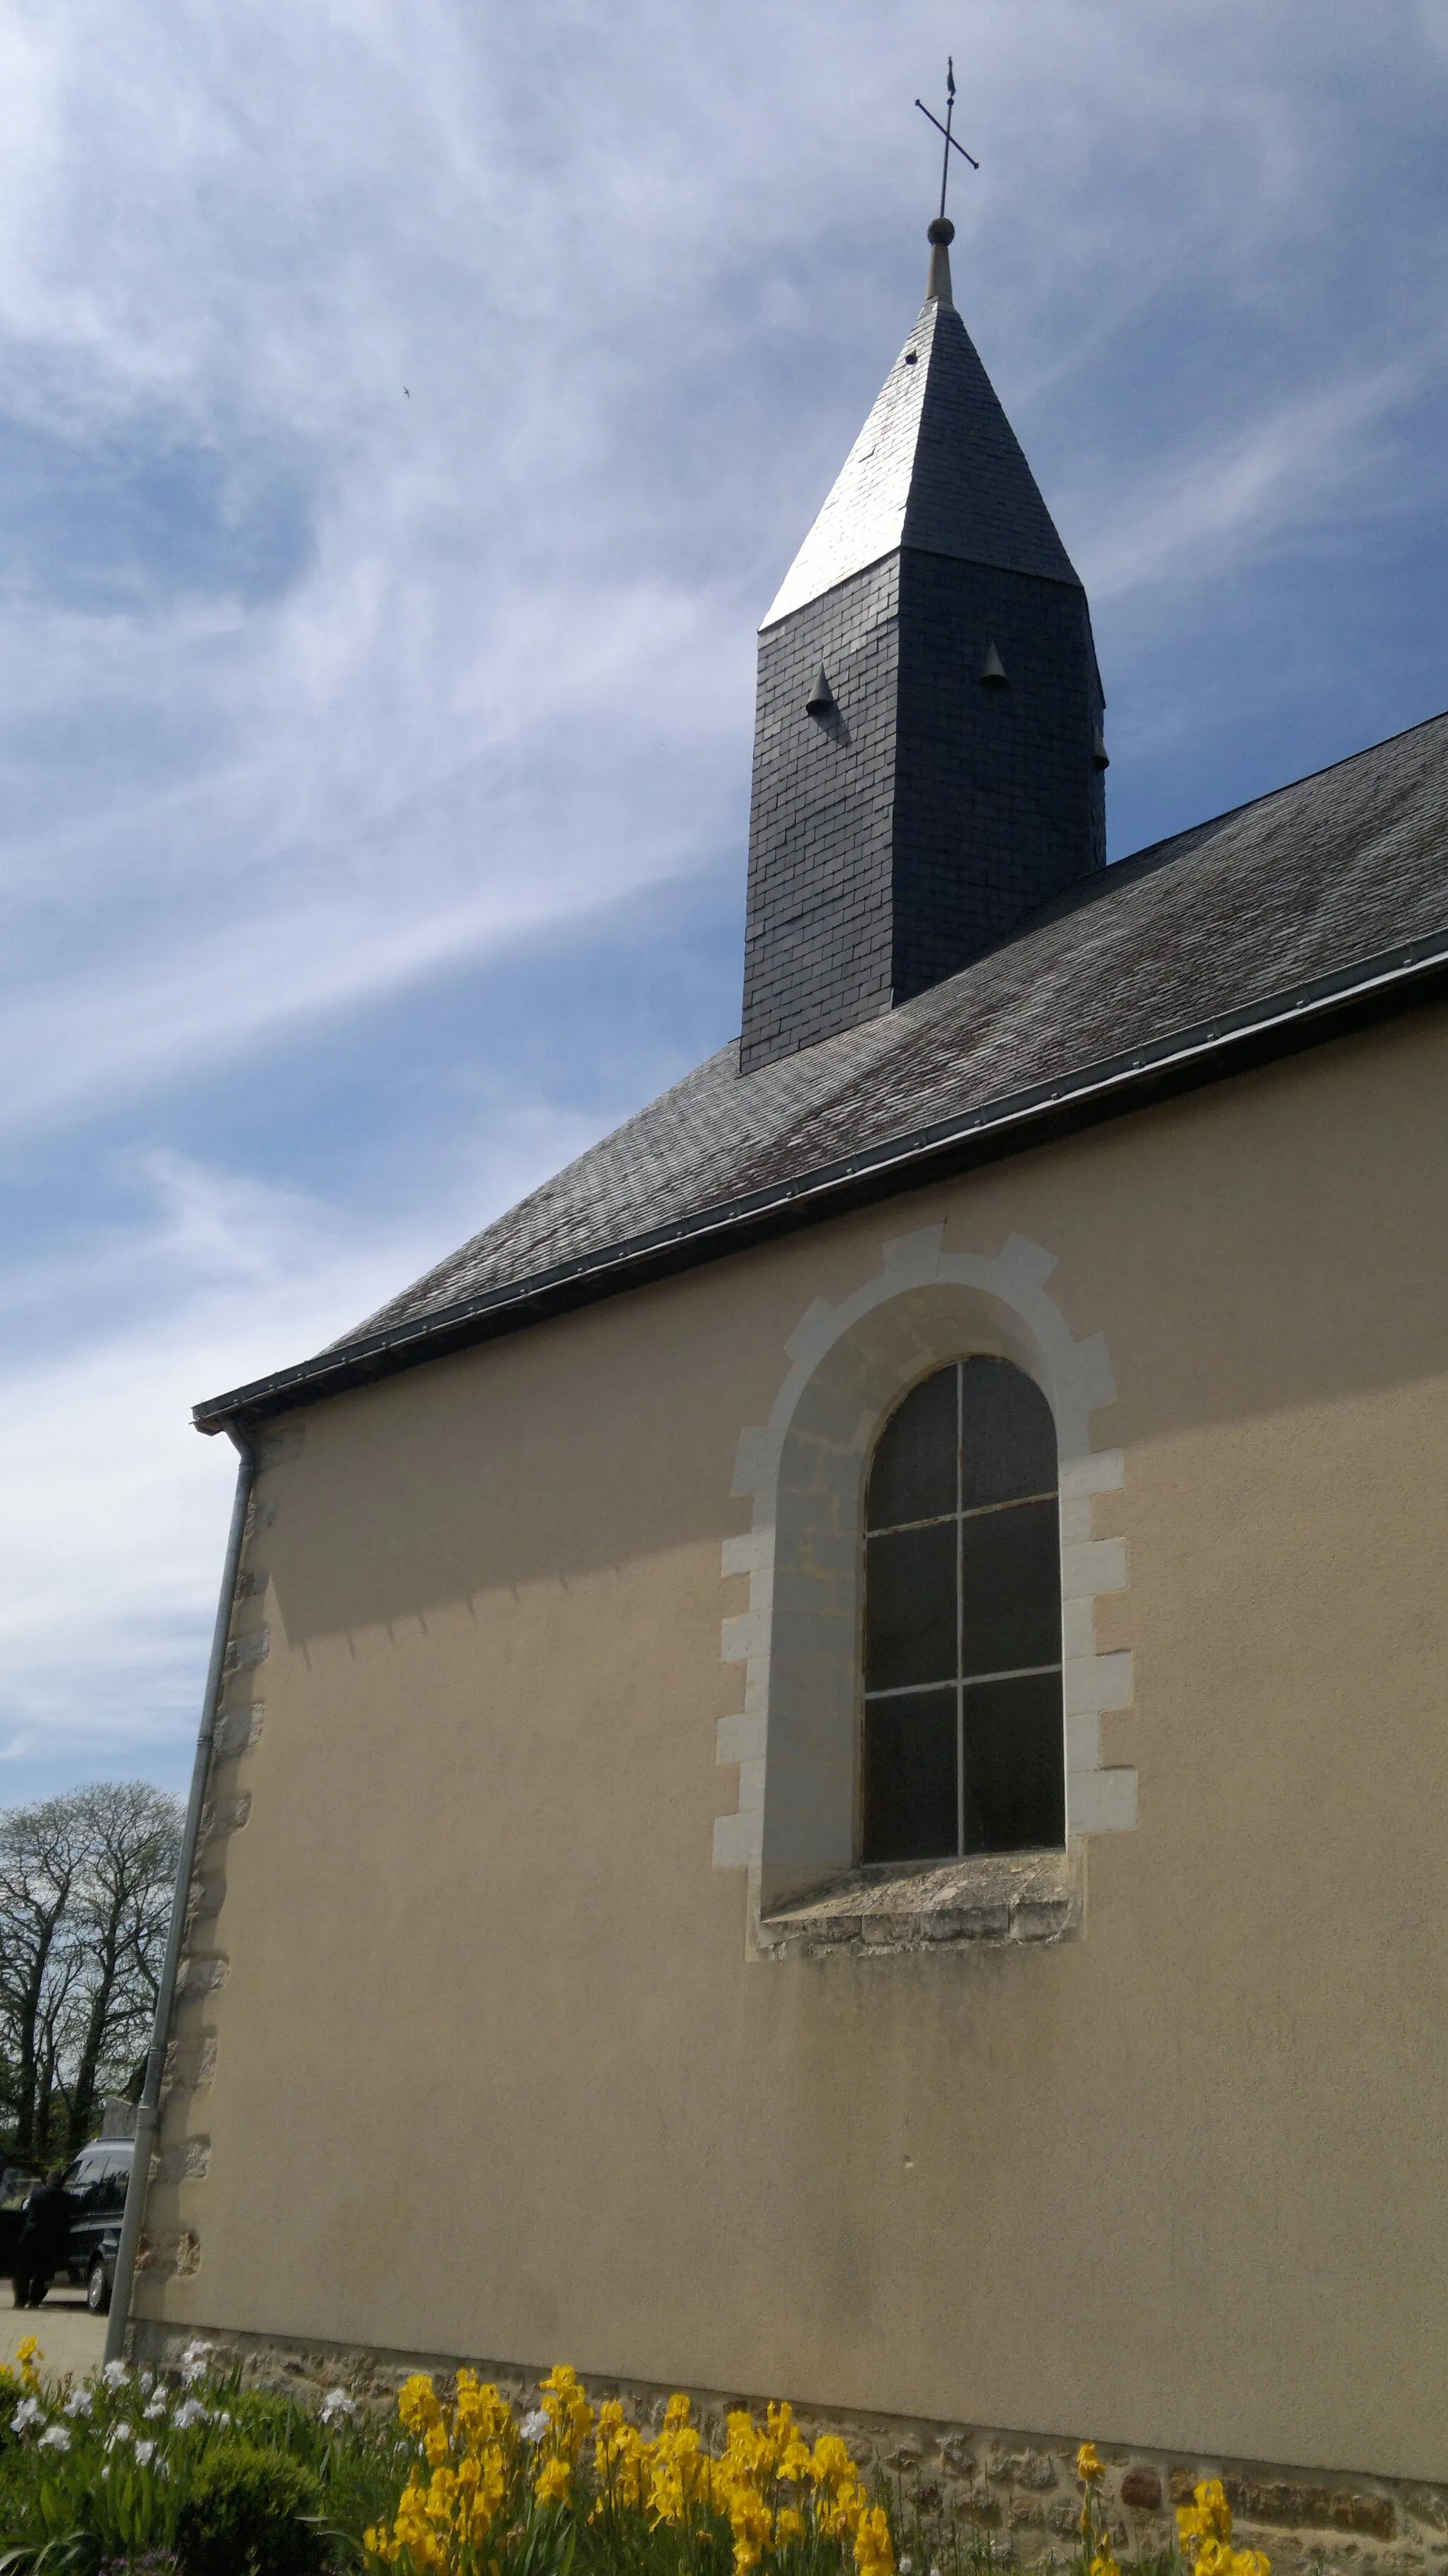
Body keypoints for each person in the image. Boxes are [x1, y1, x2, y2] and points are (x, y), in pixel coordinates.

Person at [13, 2170, 72, 2309]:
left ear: (49, 2180)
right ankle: (35, 2301)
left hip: (31, 2234)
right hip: (51, 2238)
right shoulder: (67, 2198)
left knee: (23, 2270)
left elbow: (29, 2212)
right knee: (44, 2271)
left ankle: (20, 2301)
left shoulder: (37, 2193)